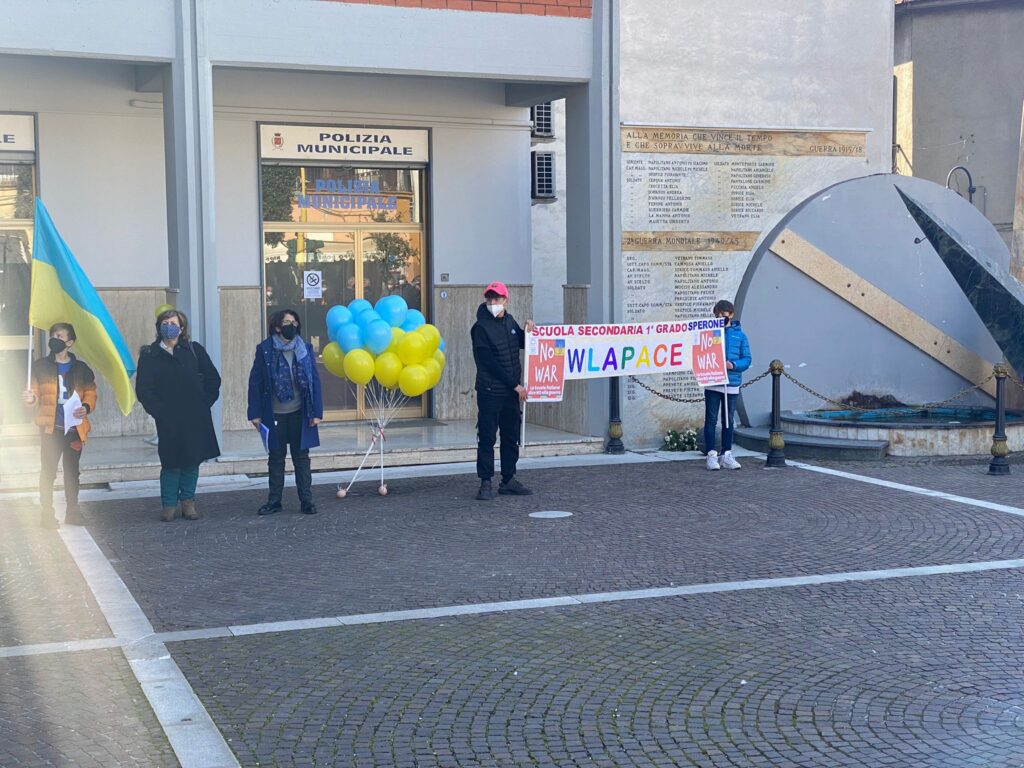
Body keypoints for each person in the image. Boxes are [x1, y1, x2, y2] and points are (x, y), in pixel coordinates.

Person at [135, 309, 221, 521]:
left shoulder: (193, 350)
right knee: (171, 462)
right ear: (159, 327)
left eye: (174, 323)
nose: (169, 326)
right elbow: (144, 390)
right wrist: (159, 411)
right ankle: (168, 505)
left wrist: (203, 403)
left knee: (192, 460)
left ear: (182, 328)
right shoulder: (149, 355)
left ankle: (188, 503)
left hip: (195, 416)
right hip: (168, 418)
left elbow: (213, 379)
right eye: (165, 322)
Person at [247, 309, 323, 515]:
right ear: (278, 327)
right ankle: (274, 501)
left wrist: (317, 412)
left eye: (295, 322)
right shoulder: (265, 349)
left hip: (300, 412)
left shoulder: (304, 348)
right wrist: (254, 414)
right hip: (274, 413)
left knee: (301, 458)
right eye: (288, 322)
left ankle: (306, 501)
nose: (293, 326)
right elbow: (255, 382)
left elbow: (314, 380)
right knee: (276, 458)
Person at [22, 323, 96, 528]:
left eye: (60, 335)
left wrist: (87, 407)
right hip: (50, 430)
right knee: (48, 471)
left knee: (72, 472)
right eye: (53, 334)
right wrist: (29, 398)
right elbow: (34, 393)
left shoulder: (81, 369)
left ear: (70, 342)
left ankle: (73, 512)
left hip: (74, 430)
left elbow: (91, 392)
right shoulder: (39, 366)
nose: (55, 338)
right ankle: (47, 514)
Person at [470, 281, 535, 500]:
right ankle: (485, 482)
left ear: (505, 300)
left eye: (496, 299)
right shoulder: (480, 328)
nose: (492, 302)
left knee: (510, 437)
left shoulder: (510, 322)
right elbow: (487, 362)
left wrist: (531, 330)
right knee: (487, 437)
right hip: (491, 391)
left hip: (510, 393)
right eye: (489, 298)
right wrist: (515, 385)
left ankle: (508, 480)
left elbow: (524, 343)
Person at [703, 299, 751, 470]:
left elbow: (747, 358)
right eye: (717, 314)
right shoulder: (708, 332)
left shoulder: (740, 335)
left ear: (731, 315)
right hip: (712, 381)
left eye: (723, 314)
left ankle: (726, 454)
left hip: (731, 382)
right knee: (710, 420)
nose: (720, 317)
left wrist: (733, 365)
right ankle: (711, 455)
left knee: (728, 420)